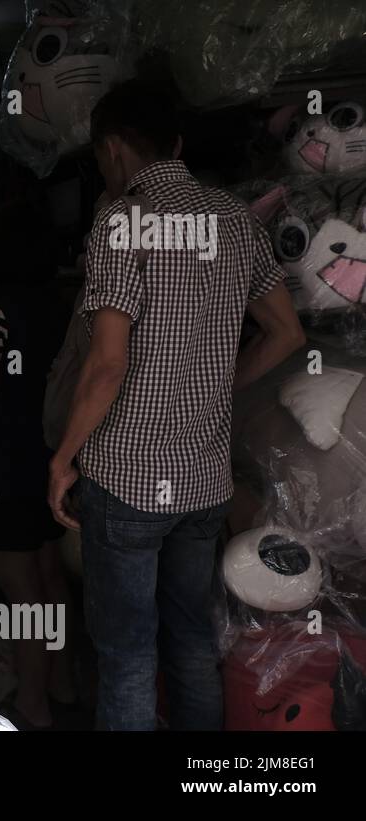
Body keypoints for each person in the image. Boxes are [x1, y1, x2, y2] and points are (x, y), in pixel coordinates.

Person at [47, 80, 306, 731]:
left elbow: (106, 365)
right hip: (203, 482)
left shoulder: (120, 221)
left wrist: (63, 458)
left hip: (128, 480)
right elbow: (287, 332)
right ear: (179, 144)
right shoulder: (234, 218)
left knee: (129, 654)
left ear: (110, 149)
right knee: (192, 641)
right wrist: (220, 384)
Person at [0, 200, 77, 728]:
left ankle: (33, 704)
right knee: (50, 577)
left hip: (1, 463)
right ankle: (66, 681)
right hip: (52, 458)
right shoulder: (60, 304)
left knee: (21, 591)